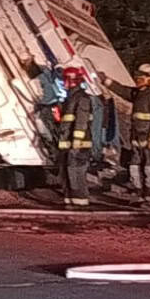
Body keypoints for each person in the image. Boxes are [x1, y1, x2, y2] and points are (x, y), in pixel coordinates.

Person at [101, 63, 150, 207]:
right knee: (136, 168)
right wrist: (107, 81)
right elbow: (123, 91)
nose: (137, 80)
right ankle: (141, 195)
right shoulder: (139, 94)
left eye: (141, 77)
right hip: (138, 140)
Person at [57, 66, 93, 208]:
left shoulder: (82, 98)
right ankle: (70, 200)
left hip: (78, 144)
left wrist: (77, 140)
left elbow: (81, 121)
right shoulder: (69, 98)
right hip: (67, 143)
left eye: (64, 79)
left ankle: (80, 202)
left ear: (71, 80)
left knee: (75, 171)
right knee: (66, 172)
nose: (63, 82)